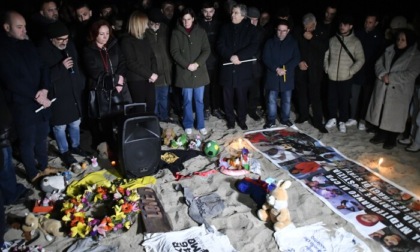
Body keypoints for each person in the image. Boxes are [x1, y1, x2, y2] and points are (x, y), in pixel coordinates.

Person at [0, 11, 62, 183]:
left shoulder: (27, 44)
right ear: (7, 28)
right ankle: (32, 173)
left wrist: (44, 89)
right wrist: (36, 95)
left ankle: (43, 166)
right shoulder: (3, 50)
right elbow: (11, 81)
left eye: (25, 27)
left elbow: (43, 67)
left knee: (42, 136)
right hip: (22, 104)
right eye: (19, 27)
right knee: (27, 140)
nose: (24, 30)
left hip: (40, 99)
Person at [37, 21, 87, 167]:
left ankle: (75, 145)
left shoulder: (69, 46)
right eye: (61, 40)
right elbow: (42, 77)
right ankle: (64, 151)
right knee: (60, 126)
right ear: (52, 38)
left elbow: (76, 65)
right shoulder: (42, 50)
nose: (64, 42)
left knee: (75, 122)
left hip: (72, 91)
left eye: (66, 39)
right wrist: (61, 67)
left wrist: (80, 83)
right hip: (57, 95)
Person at [366, 29, 420, 149]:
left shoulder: (415, 55)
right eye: (398, 39)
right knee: (382, 110)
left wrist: (391, 78)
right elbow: (378, 64)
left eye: (403, 40)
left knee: (395, 115)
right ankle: (381, 134)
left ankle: (391, 138)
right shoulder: (389, 50)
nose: (399, 42)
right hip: (384, 86)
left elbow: (412, 73)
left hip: (399, 90)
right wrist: (382, 75)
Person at [83, 19, 129, 156]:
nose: (105, 37)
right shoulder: (88, 50)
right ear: (94, 34)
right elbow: (94, 71)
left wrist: (120, 80)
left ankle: (123, 144)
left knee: (122, 116)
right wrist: (116, 80)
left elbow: (122, 62)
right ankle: (109, 147)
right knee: (105, 121)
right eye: (101, 34)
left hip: (119, 88)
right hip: (101, 91)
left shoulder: (114, 45)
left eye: (107, 33)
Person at [217, 4, 259, 130]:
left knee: (242, 97)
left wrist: (239, 56)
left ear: (243, 15)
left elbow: (253, 46)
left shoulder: (251, 29)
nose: (232, 15)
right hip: (228, 69)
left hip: (243, 69)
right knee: (227, 97)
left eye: (235, 13)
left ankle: (241, 119)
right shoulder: (225, 28)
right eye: (232, 12)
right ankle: (230, 120)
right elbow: (219, 45)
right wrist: (230, 56)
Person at [170, 8, 210, 135]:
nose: (186, 21)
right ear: (181, 20)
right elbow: (174, 52)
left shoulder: (201, 32)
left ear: (193, 19)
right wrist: (187, 65)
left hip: (199, 72)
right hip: (185, 72)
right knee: (187, 100)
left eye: (188, 19)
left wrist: (197, 63)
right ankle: (188, 124)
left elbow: (206, 50)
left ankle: (200, 124)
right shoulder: (176, 33)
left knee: (199, 100)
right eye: (184, 19)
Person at [324, 14, 365, 133]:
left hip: (346, 76)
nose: (342, 27)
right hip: (332, 75)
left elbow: (361, 59)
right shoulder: (333, 39)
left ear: (350, 26)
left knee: (344, 99)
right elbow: (326, 55)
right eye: (341, 24)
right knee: (331, 98)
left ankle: (342, 120)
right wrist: (327, 67)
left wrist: (351, 71)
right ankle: (332, 118)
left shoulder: (355, 42)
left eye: (345, 25)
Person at [294, 13, 329, 133]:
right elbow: (295, 49)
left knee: (315, 97)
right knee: (302, 94)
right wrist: (299, 62)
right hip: (301, 69)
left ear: (315, 24)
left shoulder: (322, 32)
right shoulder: (299, 32)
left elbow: (324, 48)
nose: (307, 29)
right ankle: (303, 115)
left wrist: (312, 38)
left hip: (315, 70)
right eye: (305, 27)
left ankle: (318, 121)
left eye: (309, 27)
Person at [262, 19, 300, 129]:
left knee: (287, 100)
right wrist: (276, 69)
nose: (281, 33)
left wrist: (285, 69)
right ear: (276, 30)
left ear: (288, 31)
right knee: (271, 99)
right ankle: (271, 120)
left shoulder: (293, 42)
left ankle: (285, 119)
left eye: (284, 31)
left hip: (287, 75)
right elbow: (266, 58)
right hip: (273, 75)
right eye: (279, 30)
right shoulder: (269, 42)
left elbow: (296, 58)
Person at [351, 13, 386, 131]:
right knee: (353, 96)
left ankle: (362, 119)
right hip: (357, 71)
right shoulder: (358, 33)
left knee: (366, 98)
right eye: (366, 21)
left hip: (370, 73)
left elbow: (381, 56)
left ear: (376, 23)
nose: (367, 24)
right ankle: (352, 117)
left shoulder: (379, 36)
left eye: (370, 22)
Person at [120, 11, 158, 114]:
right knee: (139, 107)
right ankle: (140, 128)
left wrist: (154, 73)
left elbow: (152, 56)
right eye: (145, 23)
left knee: (151, 104)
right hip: (136, 80)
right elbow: (131, 62)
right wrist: (150, 74)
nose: (147, 25)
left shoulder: (145, 38)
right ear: (139, 24)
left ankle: (150, 127)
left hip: (149, 79)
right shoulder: (126, 41)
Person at [145, 8, 174, 123]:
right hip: (154, 70)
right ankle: (155, 118)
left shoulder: (165, 29)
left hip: (166, 69)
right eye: (154, 23)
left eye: (158, 23)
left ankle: (164, 116)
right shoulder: (145, 32)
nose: (156, 26)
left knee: (164, 96)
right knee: (154, 98)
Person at [198, 1, 225, 120]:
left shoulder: (220, 24)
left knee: (216, 86)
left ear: (214, 11)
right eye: (205, 11)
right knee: (205, 86)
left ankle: (216, 108)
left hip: (217, 60)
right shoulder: (197, 24)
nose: (208, 14)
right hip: (203, 61)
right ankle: (206, 108)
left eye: (210, 11)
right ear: (202, 12)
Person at [246, 6, 264, 122]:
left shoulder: (261, 31)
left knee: (254, 90)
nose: (253, 22)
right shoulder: (242, 30)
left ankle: (252, 110)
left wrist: (257, 57)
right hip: (243, 64)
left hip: (256, 65)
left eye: (256, 20)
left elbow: (263, 47)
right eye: (251, 19)